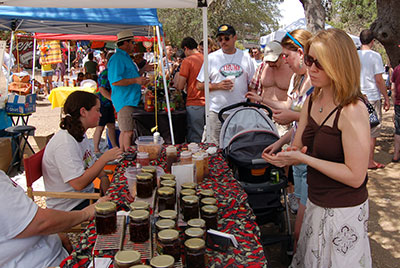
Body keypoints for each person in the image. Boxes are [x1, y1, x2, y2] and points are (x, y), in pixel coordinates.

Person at [263, 28, 371, 267]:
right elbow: (299, 145)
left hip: (344, 210)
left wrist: (306, 160)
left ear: (339, 65)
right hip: (316, 202)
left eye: (319, 63)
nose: (311, 68)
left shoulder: (352, 109)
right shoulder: (312, 99)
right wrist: (284, 156)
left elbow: (355, 176)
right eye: (309, 60)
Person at [262, 29, 313, 251]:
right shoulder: (299, 78)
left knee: (305, 217)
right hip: (297, 154)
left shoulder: (314, 79)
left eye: (286, 55)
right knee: (301, 212)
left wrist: (292, 116)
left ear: (301, 52)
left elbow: (313, 118)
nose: (284, 60)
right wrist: (279, 143)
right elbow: (297, 121)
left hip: (308, 156)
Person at [0, 170, 109, 268]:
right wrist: (85, 213)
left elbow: (26, 220)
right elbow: (42, 222)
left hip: (56, 255)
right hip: (47, 262)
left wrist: (54, 232)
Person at [42, 91, 122, 211]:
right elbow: (78, 184)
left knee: (124, 195)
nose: (100, 115)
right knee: (124, 207)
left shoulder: (79, 134)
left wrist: (104, 177)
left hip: (84, 197)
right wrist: (104, 158)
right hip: (70, 206)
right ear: (83, 112)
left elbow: (92, 164)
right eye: (97, 110)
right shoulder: (65, 143)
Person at [197, 24, 255, 145]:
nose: (223, 42)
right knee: (214, 147)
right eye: (220, 39)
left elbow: (252, 84)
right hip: (216, 112)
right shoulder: (211, 58)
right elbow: (199, 85)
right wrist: (218, 86)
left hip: (239, 112)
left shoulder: (245, 57)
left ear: (235, 38)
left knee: (238, 146)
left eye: (226, 38)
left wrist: (251, 106)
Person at [108, 30, 149, 152]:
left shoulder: (125, 58)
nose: (134, 45)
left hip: (130, 99)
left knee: (125, 131)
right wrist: (136, 80)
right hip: (125, 100)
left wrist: (143, 70)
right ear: (125, 43)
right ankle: (126, 155)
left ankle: (123, 153)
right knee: (128, 131)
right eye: (132, 42)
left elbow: (130, 77)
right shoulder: (117, 58)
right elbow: (115, 81)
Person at [358, 29, 390, 169]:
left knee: (357, 129)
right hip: (371, 98)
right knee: (373, 130)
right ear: (372, 41)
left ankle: (358, 159)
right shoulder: (375, 56)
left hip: (357, 97)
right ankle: (369, 161)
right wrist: (386, 98)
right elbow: (379, 80)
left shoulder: (353, 55)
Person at [245, 41, 293, 135]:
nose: (271, 64)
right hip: (263, 114)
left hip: (282, 117)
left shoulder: (291, 69)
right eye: (268, 61)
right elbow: (253, 88)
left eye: (274, 61)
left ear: (281, 55)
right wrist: (253, 109)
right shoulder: (263, 67)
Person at [176, 37, 205, 143]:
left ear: (186, 48)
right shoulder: (207, 58)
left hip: (194, 101)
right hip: (210, 102)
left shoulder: (187, 61)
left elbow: (180, 85)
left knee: (195, 137)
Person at [93, 52, 118, 155]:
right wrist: (113, 99)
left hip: (108, 104)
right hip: (102, 103)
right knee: (100, 127)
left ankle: (114, 147)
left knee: (111, 125)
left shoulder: (112, 73)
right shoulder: (105, 73)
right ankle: (96, 149)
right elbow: (102, 90)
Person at [391, 62, 400, 162]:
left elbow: (393, 89)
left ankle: (396, 154)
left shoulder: (396, 69)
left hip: (398, 104)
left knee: (398, 130)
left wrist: (394, 103)